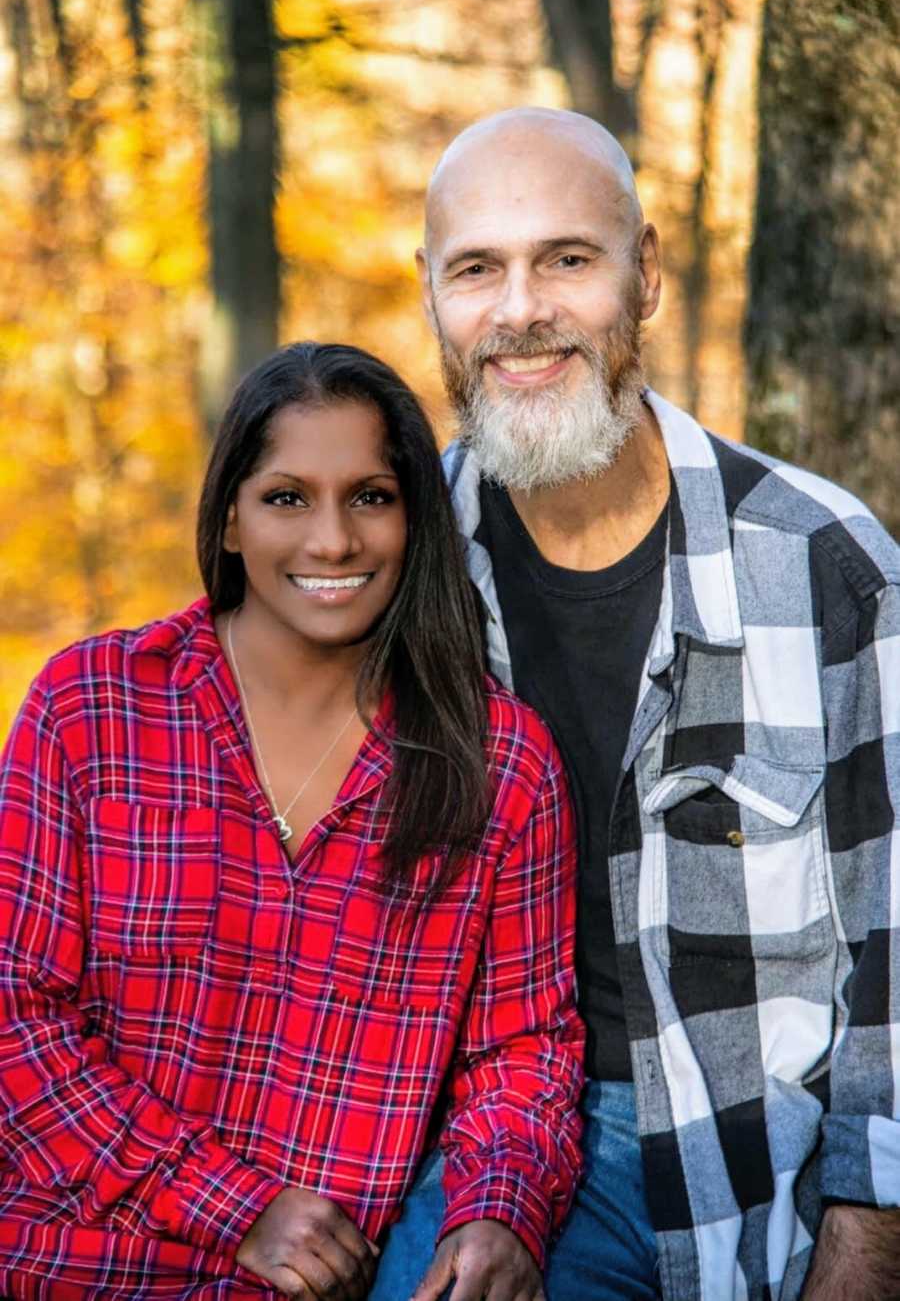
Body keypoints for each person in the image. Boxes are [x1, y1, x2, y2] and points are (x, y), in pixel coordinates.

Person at [369, 109, 900, 1301]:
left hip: (765, 1165)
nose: (520, 310)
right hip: (485, 1156)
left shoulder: (825, 566)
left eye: (567, 258)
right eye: (477, 270)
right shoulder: (391, 578)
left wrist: (866, 1252)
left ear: (645, 274)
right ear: (430, 296)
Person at [0, 341, 585, 1300]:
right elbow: (16, 1016)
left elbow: (523, 1052)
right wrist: (230, 1206)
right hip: (62, 1265)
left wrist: (498, 1210)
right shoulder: (91, 708)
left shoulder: (499, 768)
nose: (332, 542)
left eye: (370, 497)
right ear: (229, 518)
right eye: (286, 498)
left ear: (415, 520)